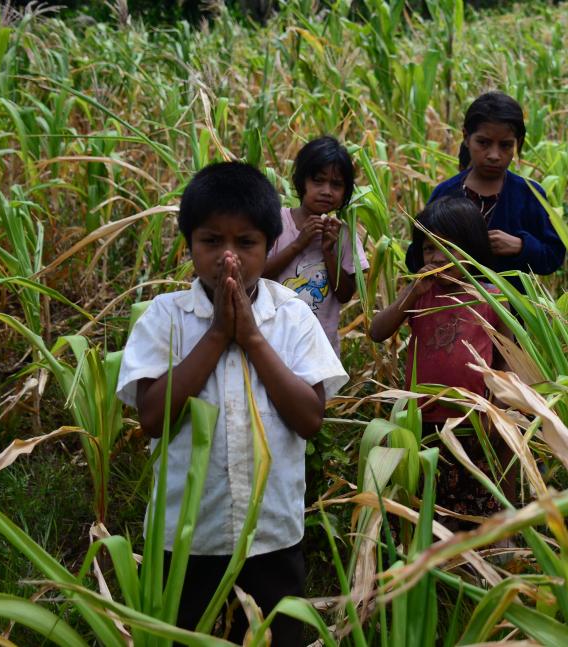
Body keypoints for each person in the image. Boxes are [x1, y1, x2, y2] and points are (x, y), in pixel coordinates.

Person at [116, 161, 348, 645]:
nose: (229, 258)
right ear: (189, 246)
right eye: (211, 241)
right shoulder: (166, 319)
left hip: (272, 537)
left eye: (246, 243)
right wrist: (220, 334)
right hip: (186, 540)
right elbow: (154, 419)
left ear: (269, 246)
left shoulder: (292, 319)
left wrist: (253, 339)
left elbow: (309, 419)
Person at [371, 197, 514, 528]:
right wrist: (411, 293)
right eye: (428, 249)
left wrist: (502, 403)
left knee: (477, 494)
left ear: (473, 249)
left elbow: (507, 356)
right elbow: (378, 331)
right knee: (430, 494)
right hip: (424, 419)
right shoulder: (421, 295)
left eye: (447, 248)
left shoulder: (492, 296)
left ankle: (487, 542)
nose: (436, 258)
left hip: (475, 419)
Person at [405, 91, 565, 292]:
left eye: (505, 145)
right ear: (466, 137)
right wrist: (440, 252)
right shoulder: (446, 193)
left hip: (512, 317)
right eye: (483, 143)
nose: (494, 155)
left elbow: (554, 257)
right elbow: (414, 257)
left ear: (518, 142)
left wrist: (522, 246)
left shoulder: (529, 195)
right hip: (448, 313)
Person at [264, 136, 369, 355]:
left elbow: (345, 295)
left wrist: (329, 252)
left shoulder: (345, 235)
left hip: (319, 349)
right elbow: (256, 276)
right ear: (301, 182)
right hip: (271, 342)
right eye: (318, 181)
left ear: (345, 192)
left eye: (336, 185)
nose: (326, 191)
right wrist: (298, 244)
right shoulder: (275, 222)